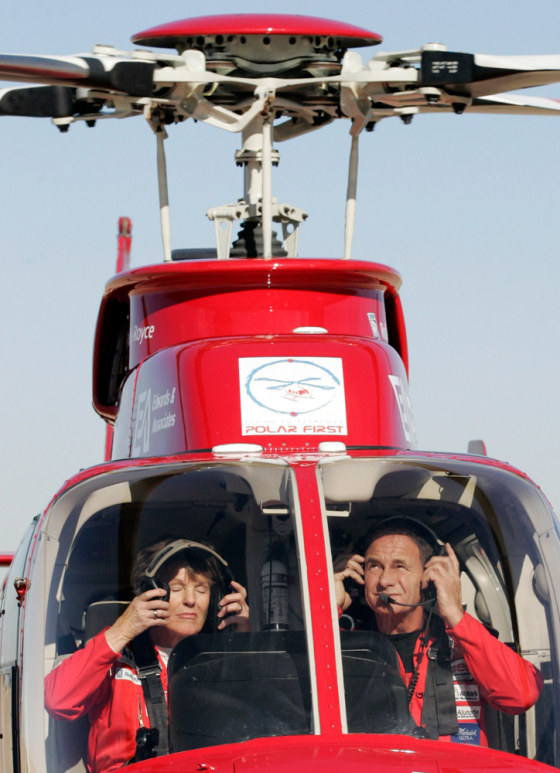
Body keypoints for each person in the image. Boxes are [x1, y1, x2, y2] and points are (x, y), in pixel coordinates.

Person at [45, 539, 250, 773]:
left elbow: (267, 723)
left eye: (201, 590)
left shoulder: (220, 660)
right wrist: (123, 629)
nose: (191, 600)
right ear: (150, 593)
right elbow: (56, 700)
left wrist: (245, 640)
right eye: (176, 588)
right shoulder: (116, 658)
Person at [334, 520, 543, 746]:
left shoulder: (464, 642)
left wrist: (455, 614)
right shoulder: (344, 644)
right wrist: (328, 607)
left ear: (427, 579)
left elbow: (521, 695)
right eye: (374, 566)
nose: (385, 580)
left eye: (400, 566)